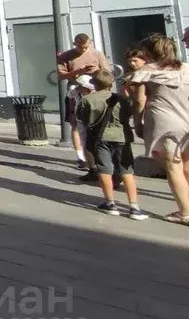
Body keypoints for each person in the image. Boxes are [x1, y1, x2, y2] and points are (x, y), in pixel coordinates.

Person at [127, 34, 189, 224]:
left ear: (148, 52)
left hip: (164, 122)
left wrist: (137, 123)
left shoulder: (146, 71)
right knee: (186, 164)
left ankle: (185, 212)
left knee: (173, 167)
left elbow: (139, 100)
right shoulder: (186, 68)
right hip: (187, 119)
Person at [76, 68, 148, 220]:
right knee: (127, 171)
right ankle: (134, 207)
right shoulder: (121, 99)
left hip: (100, 138)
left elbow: (82, 118)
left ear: (94, 84)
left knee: (104, 170)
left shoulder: (87, 100)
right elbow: (128, 114)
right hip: (122, 136)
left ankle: (110, 203)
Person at [56, 34, 110, 171]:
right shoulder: (66, 56)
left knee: (97, 123)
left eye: (86, 47)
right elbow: (61, 76)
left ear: (90, 42)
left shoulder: (97, 54)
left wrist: (98, 73)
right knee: (75, 124)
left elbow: (107, 73)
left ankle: (98, 154)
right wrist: (80, 71)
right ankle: (81, 157)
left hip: (95, 92)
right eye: (79, 47)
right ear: (74, 44)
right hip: (75, 91)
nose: (83, 50)